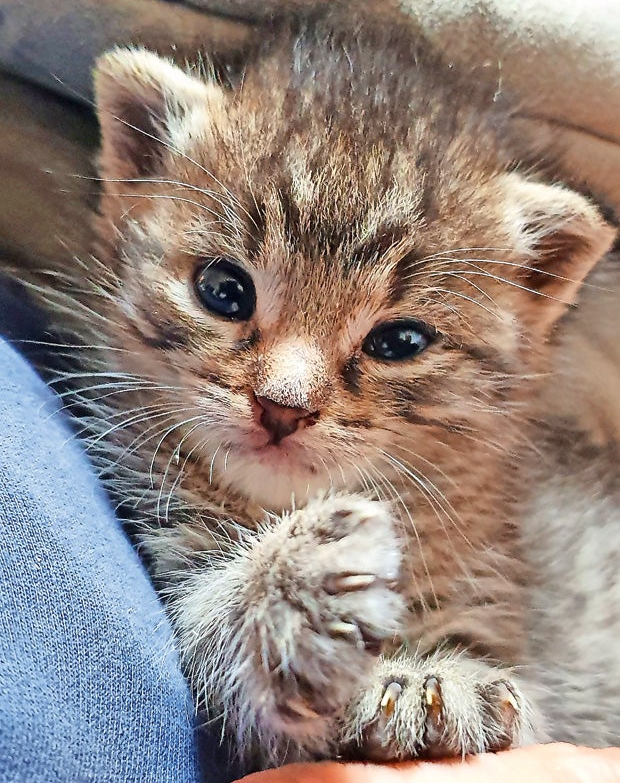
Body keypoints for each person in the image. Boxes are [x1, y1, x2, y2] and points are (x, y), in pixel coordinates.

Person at [1, 285, 619, 783]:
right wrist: (275, 614)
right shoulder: (145, 432)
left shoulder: (465, 502)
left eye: (396, 341)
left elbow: (494, 702)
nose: (285, 393)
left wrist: (450, 699)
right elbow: (228, 689)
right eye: (227, 293)